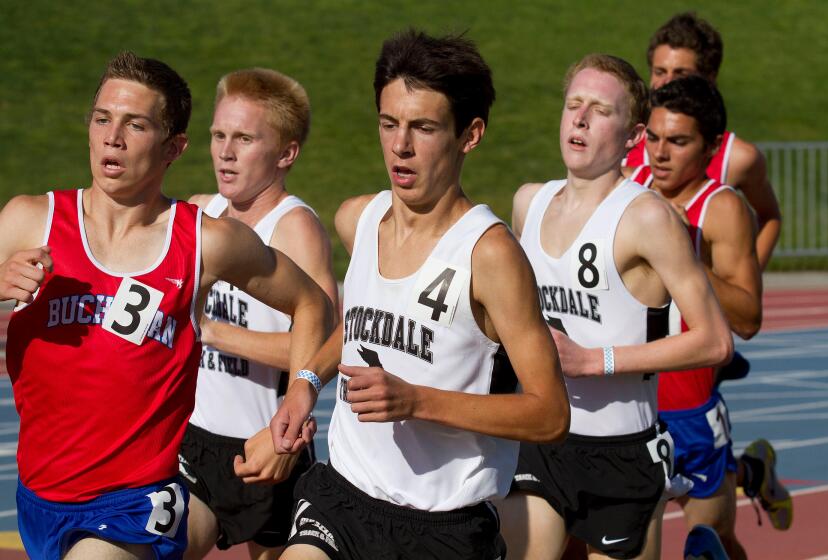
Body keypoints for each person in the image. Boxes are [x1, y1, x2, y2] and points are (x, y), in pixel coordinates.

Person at [0, 52, 332, 560]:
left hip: (139, 503)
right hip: (41, 497)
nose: (113, 137)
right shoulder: (29, 220)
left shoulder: (206, 242)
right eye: (103, 119)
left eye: (135, 125)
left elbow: (312, 302)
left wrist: (301, 393)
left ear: (173, 147)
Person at [265, 29, 570, 560]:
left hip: (443, 527)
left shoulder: (489, 256)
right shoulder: (358, 219)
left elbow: (550, 415)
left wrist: (417, 401)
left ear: (470, 135)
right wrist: (307, 381)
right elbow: (361, 321)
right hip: (343, 498)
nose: (400, 146)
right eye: (389, 124)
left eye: (423, 128)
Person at [499, 54, 733, 560]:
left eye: (600, 110)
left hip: (622, 451)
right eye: (572, 105)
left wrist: (594, 360)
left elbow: (715, 340)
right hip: (543, 437)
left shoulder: (649, 218)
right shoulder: (528, 202)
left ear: (633, 136)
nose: (579, 119)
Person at [179, 69, 340, 560]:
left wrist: (214, 333)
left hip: (268, 448)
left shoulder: (294, 228)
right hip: (193, 443)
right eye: (219, 135)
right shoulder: (198, 212)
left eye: (244, 138)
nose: (225, 152)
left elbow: (325, 340)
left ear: (286, 154)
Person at [642, 76, 791, 558]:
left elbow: (748, 316)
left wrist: (686, 257)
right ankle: (752, 472)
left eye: (678, 142)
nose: (659, 154)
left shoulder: (721, 208)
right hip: (628, 398)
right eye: (653, 138)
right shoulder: (629, 189)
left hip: (688, 406)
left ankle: (751, 475)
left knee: (709, 543)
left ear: (709, 150)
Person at [624, 11, 781, 271]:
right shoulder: (625, 142)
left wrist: (749, 276)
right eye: (659, 71)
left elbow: (770, 216)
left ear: (709, 78)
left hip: (700, 296)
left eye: (680, 73)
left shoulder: (738, 157)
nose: (666, 82)